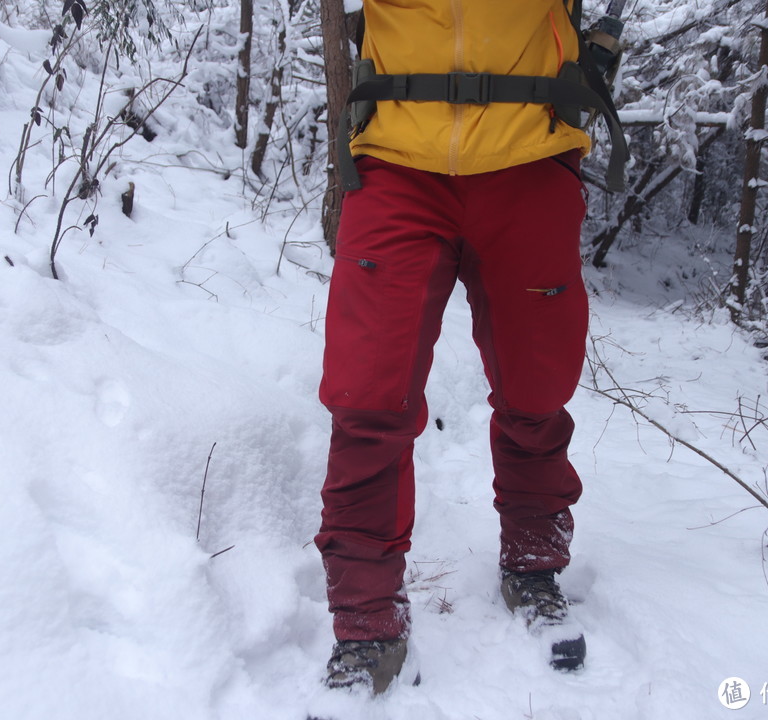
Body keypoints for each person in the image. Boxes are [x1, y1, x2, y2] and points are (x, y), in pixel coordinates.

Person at [313, 0, 618, 695]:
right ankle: (366, 627)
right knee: (365, 396)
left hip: (532, 155)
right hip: (395, 164)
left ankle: (534, 566)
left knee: (538, 388)